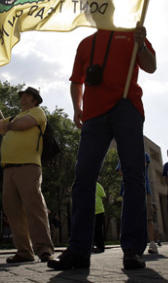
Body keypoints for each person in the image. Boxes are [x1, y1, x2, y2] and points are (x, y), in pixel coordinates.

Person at [48, 24, 156, 271]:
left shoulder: (132, 33)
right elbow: (77, 81)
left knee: (133, 174)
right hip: (94, 116)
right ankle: (78, 251)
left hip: (126, 107)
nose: (96, 8)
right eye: (91, 5)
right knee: (83, 178)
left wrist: (141, 44)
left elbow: (150, 66)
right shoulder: (85, 43)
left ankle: (132, 250)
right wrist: (77, 108)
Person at [0, 86, 54, 264]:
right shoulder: (13, 117)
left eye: (26, 95)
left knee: (34, 207)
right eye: (22, 95)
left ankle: (44, 248)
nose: (22, 97)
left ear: (34, 99)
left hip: (29, 165)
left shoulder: (38, 112)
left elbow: (23, 125)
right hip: (8, 168)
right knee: (12, 210)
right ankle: (24, 251)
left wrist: (8, 126)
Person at [116, 152, 159, 254]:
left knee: (148, 218)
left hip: (143, 188)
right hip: (128, 190)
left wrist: (129, 170)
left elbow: (142, 167)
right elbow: (120, 171)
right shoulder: (123, 154)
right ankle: (131, 244)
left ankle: (152, 243)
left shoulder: (143, 153)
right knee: (129, 218)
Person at [92, 182, 106, 253]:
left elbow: (103, 196)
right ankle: (93, 246)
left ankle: (100, 247)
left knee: (98, 230)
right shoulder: (84, 184)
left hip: (99, 212)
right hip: (90, 212)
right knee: (91, 230)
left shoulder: (98, 185)